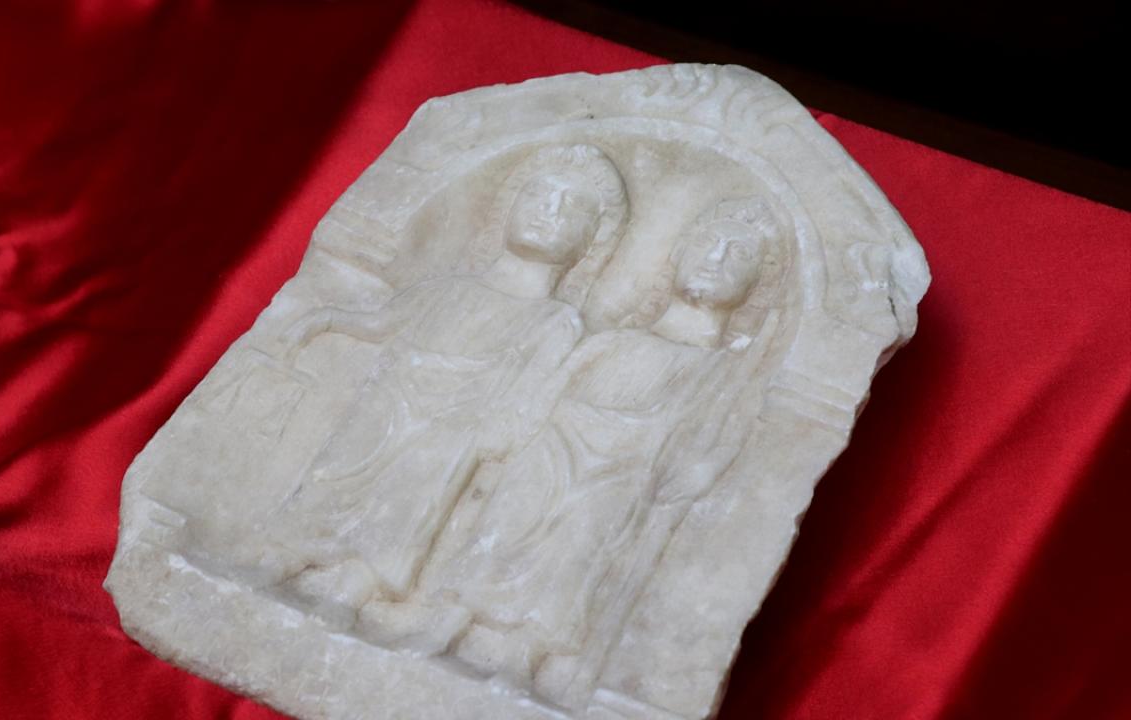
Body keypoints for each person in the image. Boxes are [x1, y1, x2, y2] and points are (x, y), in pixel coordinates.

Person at [405, 196, 787, 710]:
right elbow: (551, 387)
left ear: (753, 287)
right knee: (506, 523)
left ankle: (522, 659)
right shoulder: (615, 341)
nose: (714, 259)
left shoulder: (719, 373)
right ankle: (445, 625)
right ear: (678, 254)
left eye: (736, 255)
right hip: (552, 451)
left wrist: (701, 468)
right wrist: (521, 422)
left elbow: (724, 435)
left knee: (576, 552)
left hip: (620, 479)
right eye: (706, 244)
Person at [260, 144, 629, 628]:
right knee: (339, 468)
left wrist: (502, 431)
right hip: (390, 400)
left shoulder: (555, 321)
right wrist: (325, 319)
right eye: (538, 196)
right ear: (509, 206)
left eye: (569, 207)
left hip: (454, 428)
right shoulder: (448, 288)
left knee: (416, 489)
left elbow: (534, 390)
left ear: (591, 244)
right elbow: (379, 323)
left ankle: (358, 585)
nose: (548, 211)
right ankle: (286, 554)